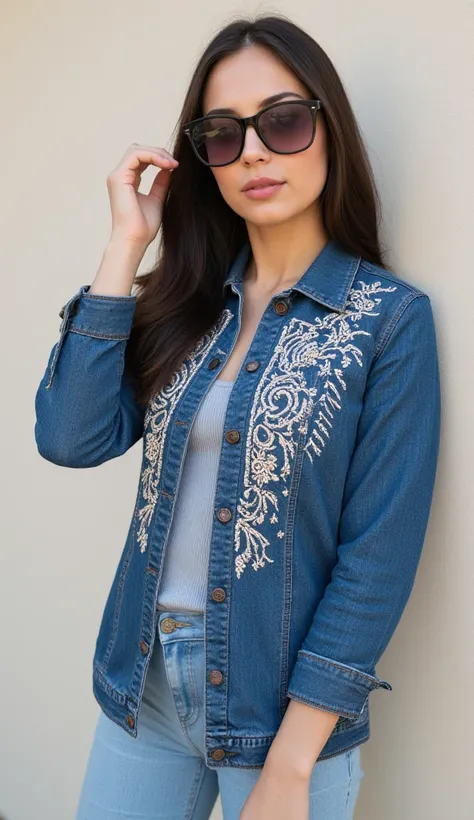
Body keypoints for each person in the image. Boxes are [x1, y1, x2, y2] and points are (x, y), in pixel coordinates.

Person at [34, 13, 441, 820]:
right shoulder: (183, 303)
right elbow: (70, 438)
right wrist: (126, 244)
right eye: (223, 135)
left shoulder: (387, 321)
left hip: (280, 721)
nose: (253, 150)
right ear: (203, 160)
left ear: (328, 129)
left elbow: (378, 555)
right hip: (142, 693)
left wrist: (293, 764)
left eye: (283, 121)